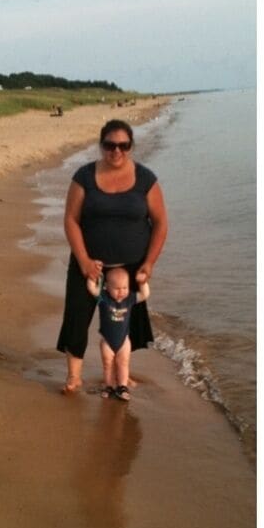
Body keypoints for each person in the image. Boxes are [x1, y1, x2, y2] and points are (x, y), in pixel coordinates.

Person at [56, 118, 168, 393]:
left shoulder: (145, 179)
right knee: (77, 318)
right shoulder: (84, 177)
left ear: (131, 146)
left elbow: (161, 223)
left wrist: (149, 264)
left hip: (131, 268)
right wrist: (83, 261)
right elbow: (71, 219)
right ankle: (74, 377)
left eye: (123, 145)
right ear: (101, 145)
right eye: (110, 145)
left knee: (126, 322)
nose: (116, 151)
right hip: (89, 264)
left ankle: (121, 376)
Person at [86, 266, 150, 400]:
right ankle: (108, 386)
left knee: (123, 363)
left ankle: (122, 387)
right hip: (107, 341)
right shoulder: (103, 298)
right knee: (107, 364)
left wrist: (142, 283)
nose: (121, 292)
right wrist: (92, 277)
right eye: (117, 288)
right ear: (107, 287)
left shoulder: (130, 299)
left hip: (124, 341)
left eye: (124, 288)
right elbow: (92, 289)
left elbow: (145, 295)